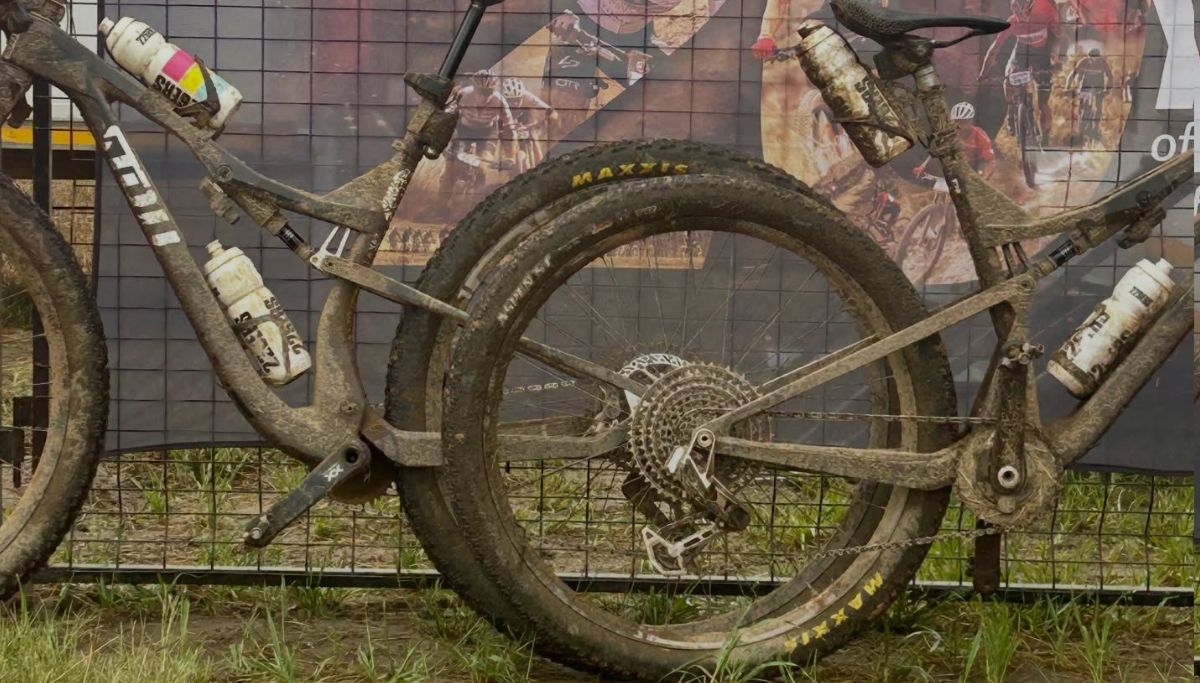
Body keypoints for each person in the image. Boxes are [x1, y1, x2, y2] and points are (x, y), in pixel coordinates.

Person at [980, 0, 1062, 146]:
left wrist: (1055, 54)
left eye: (1025, 13)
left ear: (1032, 8)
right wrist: (983, 73)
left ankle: (1045, 138)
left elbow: (1057, 33)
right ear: (1013, 11)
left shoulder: (1045, 8)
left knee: (1043, 103)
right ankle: (1012, 109)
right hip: (1022, 52)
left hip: (1042, 54)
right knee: (1009, 77)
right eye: (1017, 14)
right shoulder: (1011, 22)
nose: (1021, 17)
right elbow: (993, 50)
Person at [913, 101, 995, 178]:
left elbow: (991, 162)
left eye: (963, 122)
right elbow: (935, 153)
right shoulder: (948, 133)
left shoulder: (981, 136)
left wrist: (984, 178)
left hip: (976, 165)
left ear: (971, 121)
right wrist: (922, 166)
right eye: (956, 122)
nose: (959, 127)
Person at [499, 77, 558, 171]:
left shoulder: (528, 97)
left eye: (518, 100)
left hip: (526, 116)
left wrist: (545, 120)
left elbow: (551, 112)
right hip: (508, 118)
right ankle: (510, 158)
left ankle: (542, 165)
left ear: (522, 96)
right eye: (511, 100)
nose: (515, 103)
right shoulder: (500, 101)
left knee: (533, 135)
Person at [1067, 48, 1114, 143]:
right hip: (1085, 87)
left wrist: (1108, 89)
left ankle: (1095, 129)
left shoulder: (1103, 63)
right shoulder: (1083, 62)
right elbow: (1073, 74)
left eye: (1095, 58)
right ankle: (1081, 127)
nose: (1093, 60)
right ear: (1088, 57)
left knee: (1098, 109)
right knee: (1083, 108)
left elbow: (1110, 76)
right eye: (1091, 58)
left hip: (1098, 88)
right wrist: (1068, 86)